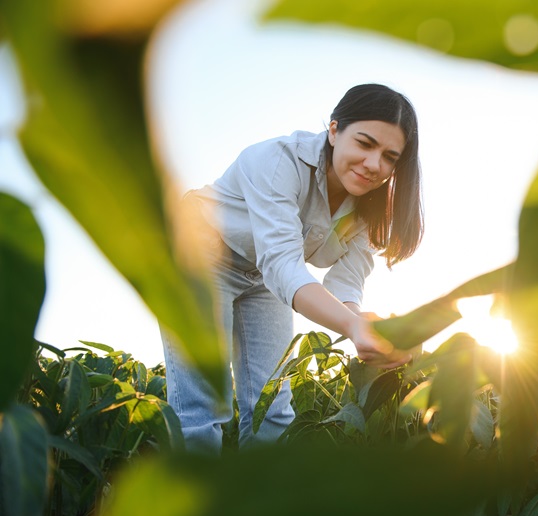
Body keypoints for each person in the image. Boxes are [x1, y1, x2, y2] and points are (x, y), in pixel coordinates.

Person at [161, 83, 423, 453]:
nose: (374, 165)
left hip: (265, 278)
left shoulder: (370, 207)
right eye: (365, 144)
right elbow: (283, 262)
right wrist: (353, 326)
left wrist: (367, 328)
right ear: (334, 131)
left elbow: (346, 286)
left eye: (390, 157)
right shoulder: (275, 161)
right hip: (197, 253)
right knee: (202, 408)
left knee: (272, 411)